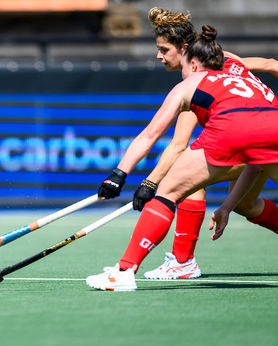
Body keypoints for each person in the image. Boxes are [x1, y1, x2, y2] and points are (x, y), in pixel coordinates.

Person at [86, 25, 278, 291]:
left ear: (195, 64)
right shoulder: (241, 70)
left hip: (231, 129)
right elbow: (256, 157)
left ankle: (124, 271)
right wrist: (227, 206)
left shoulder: (192, 82)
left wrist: (120, 174)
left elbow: (150, 135)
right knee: (239, 199)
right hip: (274, 120)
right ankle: (177, 261)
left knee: (169, 190)